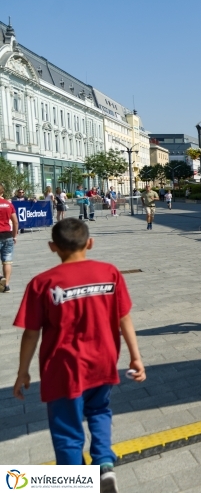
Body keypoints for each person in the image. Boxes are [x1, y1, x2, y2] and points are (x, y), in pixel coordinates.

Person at [12, 218, 145, 493]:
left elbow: (31, 333)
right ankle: (104, 465)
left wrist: (22, 371)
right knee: (99, 411)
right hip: (102, 362)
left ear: (52, 247)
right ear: (90, 243)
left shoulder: (42, 283)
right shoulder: (109, 273)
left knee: (66, 429)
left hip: (63, 370)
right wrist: (135, 356)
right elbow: (124, 318)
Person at [0, 183, 19, 293]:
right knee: (7, 261)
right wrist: (14, 236)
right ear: (2, 192)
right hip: (7, 235)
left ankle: (0, 278)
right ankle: (6, 285)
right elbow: (15, 222)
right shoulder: (8, 204)